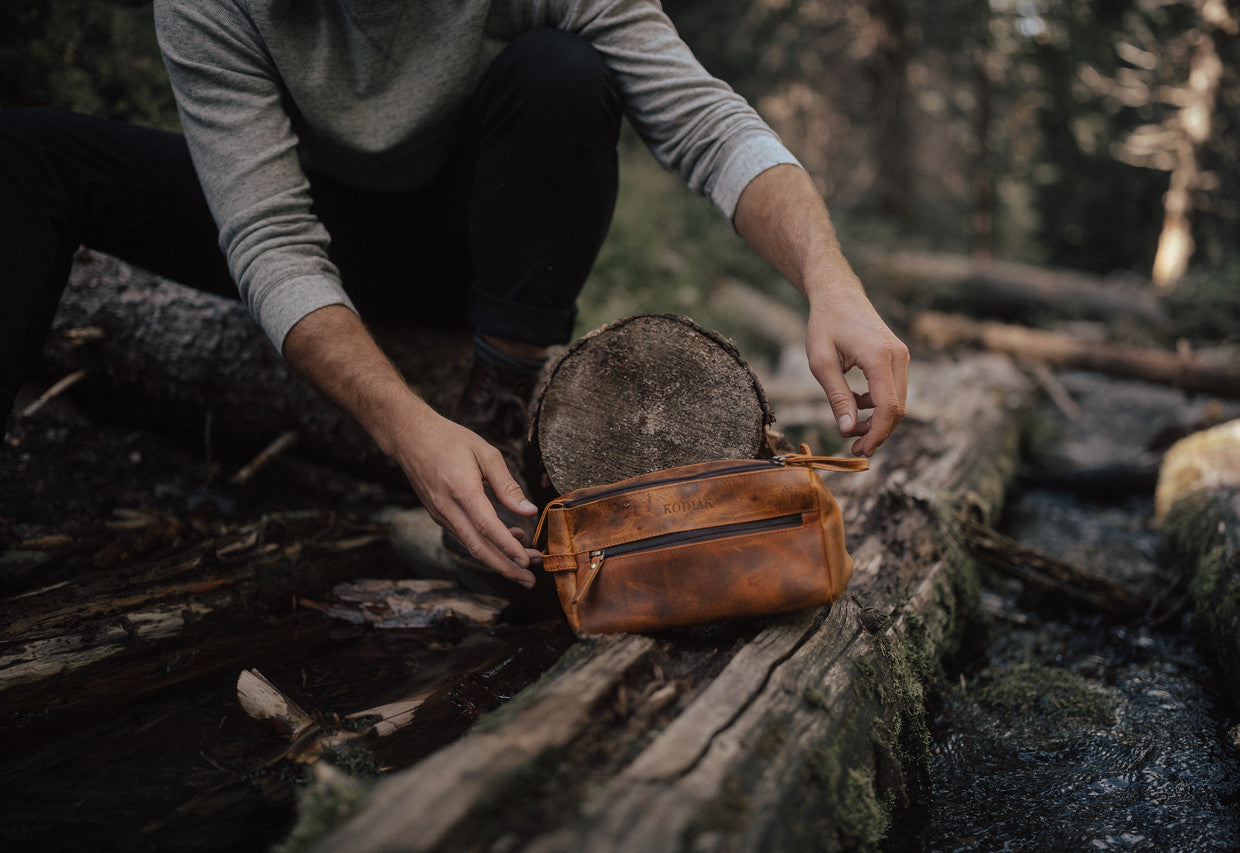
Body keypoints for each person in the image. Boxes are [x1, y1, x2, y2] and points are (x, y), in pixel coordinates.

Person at [0, 0, 908, 596]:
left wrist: (834, 283)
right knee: (30, 153)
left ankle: (499, 405)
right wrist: (406, 428)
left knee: (563, 71)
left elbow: (706, 125)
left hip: (469, 245)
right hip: (318, 228)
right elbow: (271, 239)